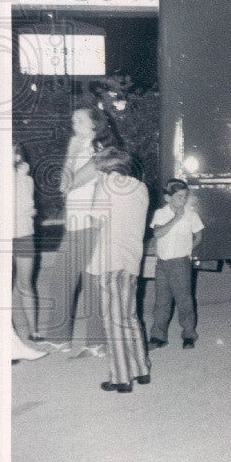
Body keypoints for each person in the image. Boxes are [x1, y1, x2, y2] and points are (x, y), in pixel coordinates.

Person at [34, 105, 120, 356]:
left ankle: (95, 342)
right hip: (76, 223)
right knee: (65, 279)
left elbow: (69, 183)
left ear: (95, 124)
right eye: (73, 119)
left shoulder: (101, 151)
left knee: (83, 281)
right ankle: (68, 338)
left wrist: (71, 152)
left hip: (91, 225)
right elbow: (64, 184)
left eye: (80, 119)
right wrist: (72, 152)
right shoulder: (82, 148)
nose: (74, 123)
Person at [86, 148, 150, 393]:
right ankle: (141, 369)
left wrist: (96, 189)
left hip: (109, 258)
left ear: (106, 169)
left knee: (113, 320)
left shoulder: (106, 186)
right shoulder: (141, 188)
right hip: (132, 258)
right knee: (130, 316)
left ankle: (121, 377)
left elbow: (96, 222)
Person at [148, 179, 204, 350]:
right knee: (161, 301)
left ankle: (188, 335)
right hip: (162, 263)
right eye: (179, 196)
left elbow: (199, 236)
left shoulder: (191, 215)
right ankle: (158, 336)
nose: (183, 200)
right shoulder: (160, 214)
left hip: (181, 263)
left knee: (184, 300)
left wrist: (186, 250)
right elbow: (158, 233)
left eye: (185, 196)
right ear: (167, 197)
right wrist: (175, 218)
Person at [12, 144, 39, 340]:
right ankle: (7, 334)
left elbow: (27, 208)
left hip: (23, 235)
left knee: (25, 283)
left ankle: (34, 330)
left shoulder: (25, 180)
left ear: (17, 156)